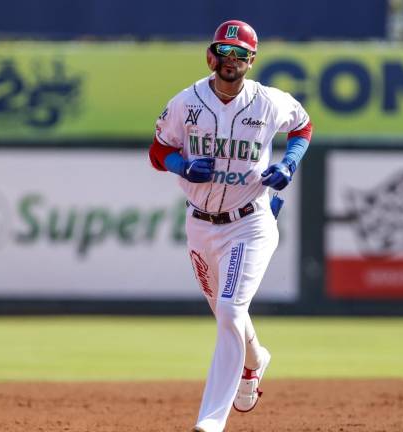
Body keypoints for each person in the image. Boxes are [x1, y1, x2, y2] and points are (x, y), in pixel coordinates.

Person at [148, 19, 312, 432]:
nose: (231, 61)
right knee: (226, 314)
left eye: (240, 55)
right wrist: (182, 166)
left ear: (251, 61)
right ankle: (256, 362)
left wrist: (289, 164)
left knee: (230, 308)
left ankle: (210, 422)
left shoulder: (269, 102)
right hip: (201, 227)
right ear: (211, 56)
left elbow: (303, 126)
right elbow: (158, 148)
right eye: (225, 52)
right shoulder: (187, 102)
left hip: (251, 222)